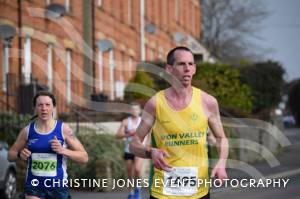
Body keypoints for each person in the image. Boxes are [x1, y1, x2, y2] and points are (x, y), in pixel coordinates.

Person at [129, 46, 228, 199]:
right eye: (181, 64)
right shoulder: (155, 103)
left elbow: (222, 138)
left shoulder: (208, 102)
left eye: (191, 64)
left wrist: (221, 163)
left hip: (198, 192)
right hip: (163, 193)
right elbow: (134, 144)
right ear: (169, 69)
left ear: (195, 68)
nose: (187, 69)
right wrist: (150, 152)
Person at [7, 91, 88, 199]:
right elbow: (10, 155)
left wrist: (63, 150)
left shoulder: (64, 129)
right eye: (40, 105)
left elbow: (84, 157)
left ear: (53, 107)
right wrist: (19, 155)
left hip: (57, 187)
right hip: (34, 186)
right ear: (35, 108)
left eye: (47, 105)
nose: (44, 108)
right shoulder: (27, 131)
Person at [115, 103, 144, 199]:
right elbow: (117, 135)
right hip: (128, 150)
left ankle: (138, 188)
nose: (134, 111)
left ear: (140, 111)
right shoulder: (126, 122)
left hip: (139, 150)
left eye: (136, 109)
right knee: (129, 173)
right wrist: (128, 134)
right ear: (130, 111)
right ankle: (131, 193)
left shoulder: (143, 121)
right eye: (132, 109)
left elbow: (148, 135)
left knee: (137, 169)